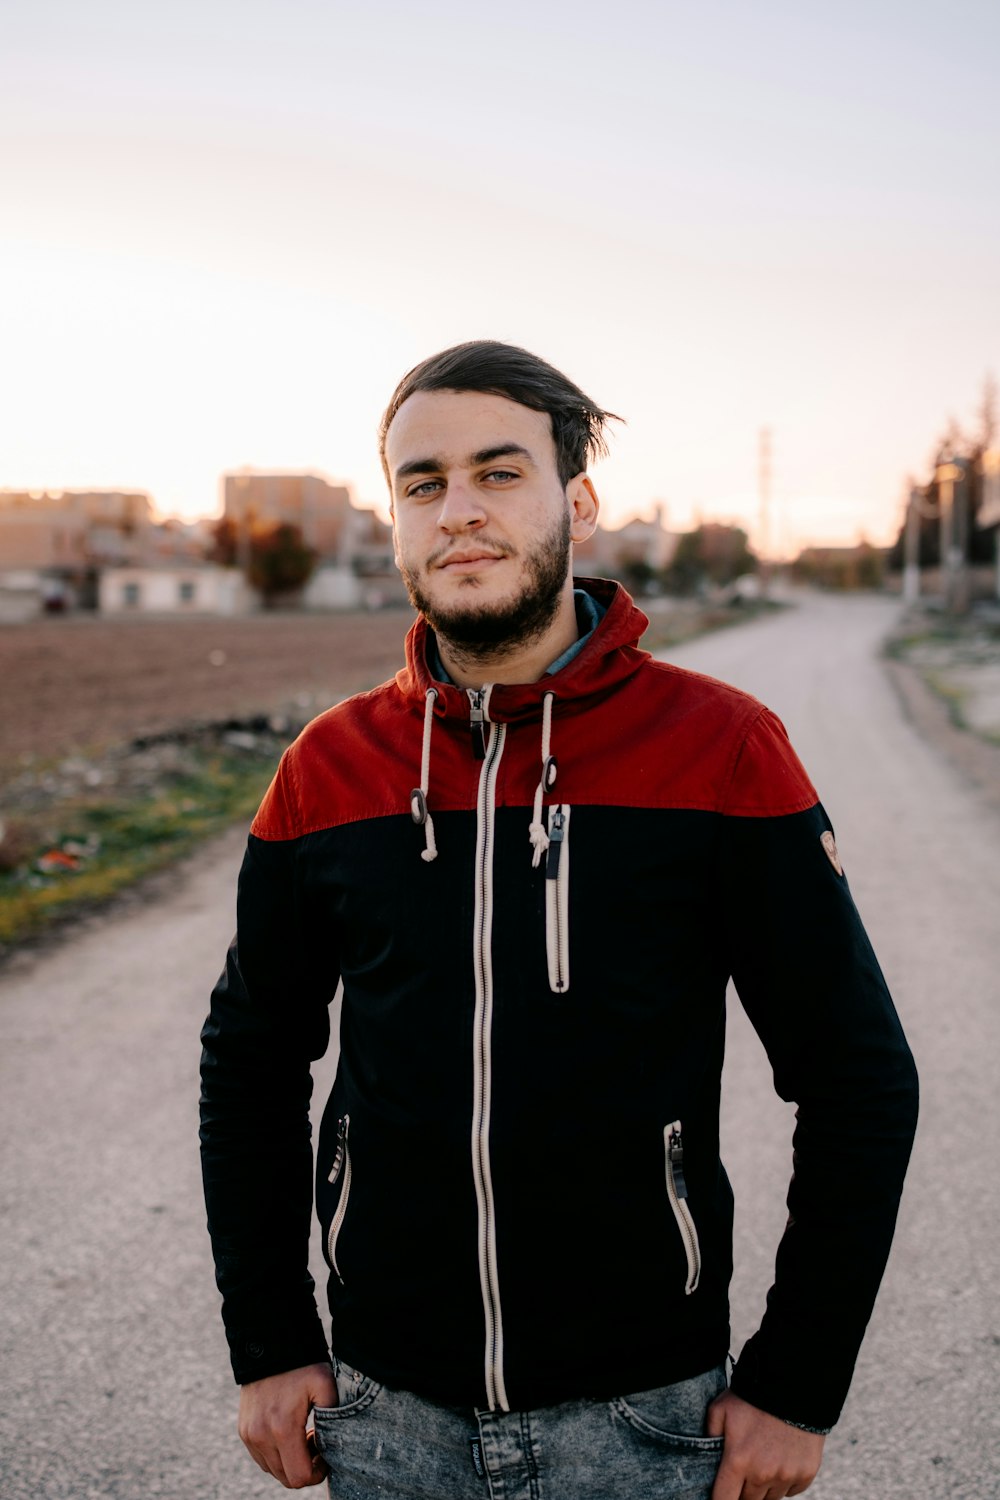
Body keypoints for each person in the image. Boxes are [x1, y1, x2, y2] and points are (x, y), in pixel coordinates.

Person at [200, 341, 919, 1499]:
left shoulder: (721, 749)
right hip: (385, 1416)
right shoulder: (325, 769)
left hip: (641, 1417)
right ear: (393, 519)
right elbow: (249, 1061)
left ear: (577, 500)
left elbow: (857, 1077)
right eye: (422, 483)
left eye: (499, 472)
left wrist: (796, 1380)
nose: (459, 513)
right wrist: (271, 1339)